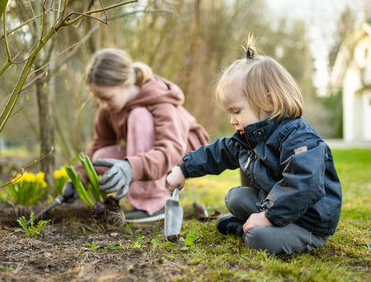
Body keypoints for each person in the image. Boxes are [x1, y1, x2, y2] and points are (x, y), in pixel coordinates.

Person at [166, 37, 342, 254]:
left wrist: (268, 217)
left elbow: (303, 185)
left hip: (309, 220)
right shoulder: (250, 137)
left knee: (257, 238)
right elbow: (218, 153)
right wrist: (184, 169)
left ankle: (250, 229)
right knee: (235, 197)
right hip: (277, 207)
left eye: (237, 111)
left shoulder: (299, 137)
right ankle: (256, 223)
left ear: (268, 102)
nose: (232, 120)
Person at [65, 48, 209, 223]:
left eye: (107, 97)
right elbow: (99, 145)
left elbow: (171, 151)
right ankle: (149, 195)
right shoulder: (108, 109)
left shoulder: (158, 98)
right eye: (98, 99)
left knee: (138, 115)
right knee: (100, 157)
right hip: (156, 153)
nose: (103, 104)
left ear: (126, 83)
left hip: (185, 151)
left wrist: (131, 168)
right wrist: (78, 178)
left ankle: (154, 204)